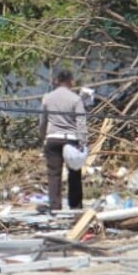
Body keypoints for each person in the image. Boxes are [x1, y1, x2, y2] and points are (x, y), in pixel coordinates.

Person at [39, 70, 87, 210]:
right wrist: (82, 141)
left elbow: (42, 121)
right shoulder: (75, 99)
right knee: (74, 174)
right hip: (71, 139)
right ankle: (75, 206)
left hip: (53, 139)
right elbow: (81, 122)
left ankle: (55, 207)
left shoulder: (47, 98)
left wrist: (43, 137)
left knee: (54, 174)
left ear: (57, 81)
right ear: (71, 81)